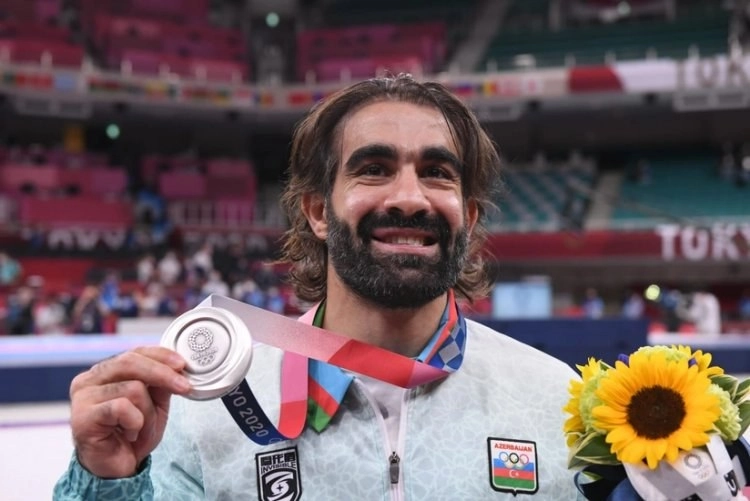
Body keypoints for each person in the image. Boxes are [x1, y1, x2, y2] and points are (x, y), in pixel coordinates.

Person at [54, 75, 580, 499]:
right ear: (317, 212)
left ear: (468, 215)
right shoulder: (204, 412)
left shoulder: (561, 404)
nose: (409, 197)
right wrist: (106, 483)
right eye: (374, 169)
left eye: (437, 172)